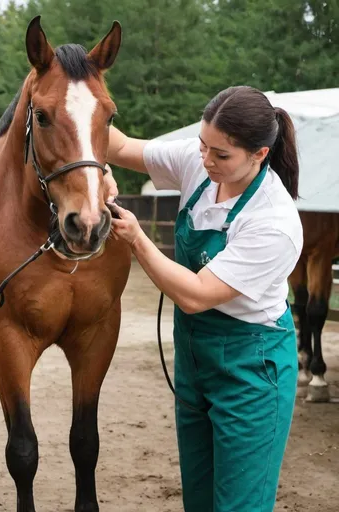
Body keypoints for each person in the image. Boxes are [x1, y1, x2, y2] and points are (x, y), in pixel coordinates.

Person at [104, 85, 303, 512]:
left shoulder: (274, 222)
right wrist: (77, 98)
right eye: (201, 145)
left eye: (221, 154)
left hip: (251, 369)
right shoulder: (200, 164)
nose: (206, 160)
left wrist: (138, 239)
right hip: (195, 358)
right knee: (198, 498)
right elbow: (118, 145)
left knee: (238, 506)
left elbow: (195, 296)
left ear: (259, 154)